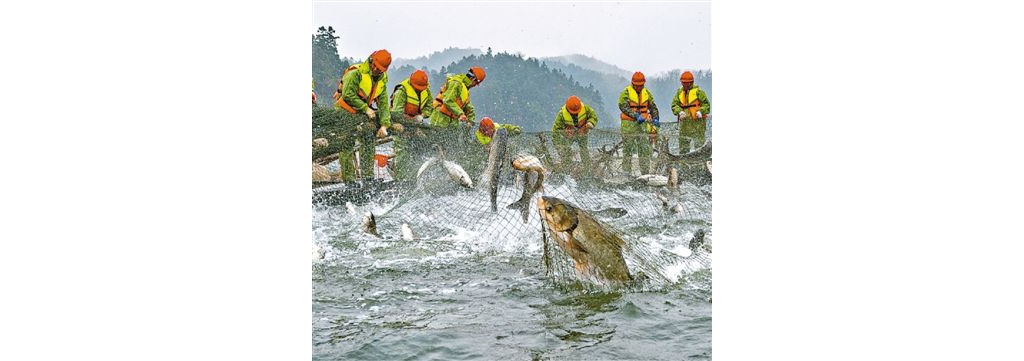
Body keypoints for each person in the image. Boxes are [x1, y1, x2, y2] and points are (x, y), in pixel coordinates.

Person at [332, 49, 395, 181]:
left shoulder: (381, 81)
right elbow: (347, 95)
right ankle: (349, 181)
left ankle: (368, 178)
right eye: (376, 67)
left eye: (381, 69)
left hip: (361, 115)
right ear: (372, 61)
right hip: (345, 112)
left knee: (368, 140)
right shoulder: (356, 73)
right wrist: (365, 108)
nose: (377, 71)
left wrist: (384, 125)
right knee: (346, 145)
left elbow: (383, 105)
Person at [389, 69, 433, 179]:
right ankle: (400, 178)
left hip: (415, 124)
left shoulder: (426, 90)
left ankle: (414, 176)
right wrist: (411, 121)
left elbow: (429, 107)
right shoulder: (402, 91)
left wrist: (422, 116)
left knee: (420, 146)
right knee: (403, 152)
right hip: (400, 124)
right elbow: (396, 114)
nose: (419, 91)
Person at [618, 71, 660, 175]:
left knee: (644, 149)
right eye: (637, 85)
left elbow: (653, 107)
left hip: (643, 127)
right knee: (627, 150)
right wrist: (635, 115)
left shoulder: (647, 93)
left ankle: (645, 173)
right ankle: (626, 173)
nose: (639, 87)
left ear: (643, 84)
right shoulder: (626, 92)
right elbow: (623, 106)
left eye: (641, 85)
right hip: (628, 126)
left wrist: (656, 119)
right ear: (633, 83)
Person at [552, 95, 598, 176]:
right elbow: (556, 130)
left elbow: (593, 116)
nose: (575, 113)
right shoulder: (561, 114)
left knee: (584, 151)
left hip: (583, 133)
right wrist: (558, 145)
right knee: (566, 151)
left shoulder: (586, 108)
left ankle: (587, 171)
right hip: (569, 136)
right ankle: (567, 171)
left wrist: (591, 122)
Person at [671, 70, 711, 152]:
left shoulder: (699, 92)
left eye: (687, 82)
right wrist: (679, 112)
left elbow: (707, 105)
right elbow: (674, 105)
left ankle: (699, 165)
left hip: (698, 125)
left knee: (699, 148)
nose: (685, 84)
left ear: (691, 82)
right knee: (683, 148)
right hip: (684, 125)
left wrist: (701, 111)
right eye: (683, 82)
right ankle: (684, 164)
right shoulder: (679, 93)